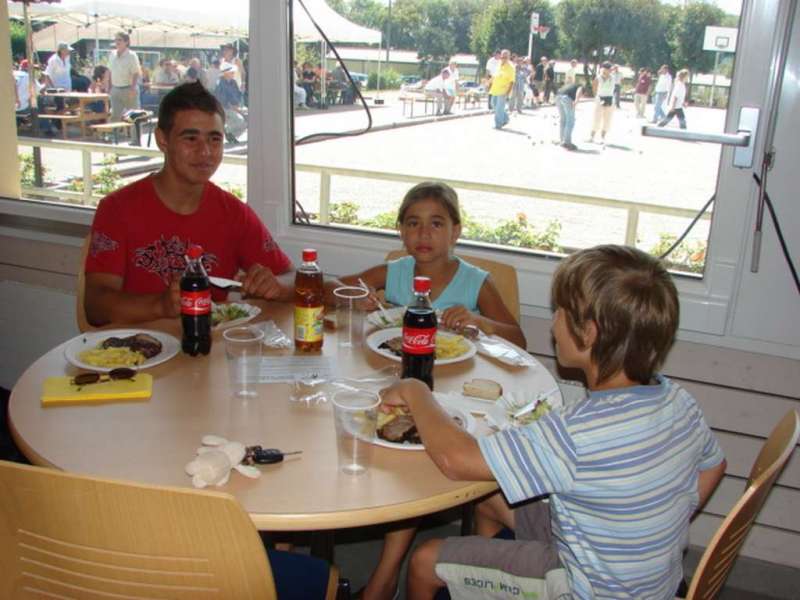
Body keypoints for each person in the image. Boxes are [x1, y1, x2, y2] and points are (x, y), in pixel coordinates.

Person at [382, 244, 726, 600]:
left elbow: (457, 461)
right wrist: (655, 528)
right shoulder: (679, 400)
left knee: (425, 561)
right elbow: (715, 466)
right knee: (491, 499)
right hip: (641, 575)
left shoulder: (576, 432)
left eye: (560, 311)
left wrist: (415, 391)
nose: (553, 321)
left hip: (584, 586)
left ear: (588, 333)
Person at [333, 181, 525, 600]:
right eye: (414, 224)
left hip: (456, 392)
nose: (424, 235)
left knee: (414, 462)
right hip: (395, 385)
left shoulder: (475, 282)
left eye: (436, 224)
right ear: (401, 231)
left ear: (456, 231)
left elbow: (519, 339)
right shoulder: (395, 272)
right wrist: (359, 297)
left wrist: (482, 321)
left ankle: (385, 574)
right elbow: (337, 289)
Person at [84, 82, 294, 326]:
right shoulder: (117, 209)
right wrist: (161, 305)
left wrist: (278, 287)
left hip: (209, 353)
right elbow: (95, 306)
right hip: (139, 354)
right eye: (191, 138)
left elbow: (290, 276)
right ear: (163, 140)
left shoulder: (233, 213)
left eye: (214, 139)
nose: (205, 152)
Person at [108, 31, 142, 121]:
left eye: (120, 40)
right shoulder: (112, 54)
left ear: (126, 42)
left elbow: (136, 72)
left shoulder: (132, 55)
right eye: (116, 40)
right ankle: (114, 135)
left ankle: (135, 135)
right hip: (115, 89)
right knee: (114, 116)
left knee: (134, 117)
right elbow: (110, 71)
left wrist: (133, 88)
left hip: (128, 89)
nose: (117, 42)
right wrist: (109, 87)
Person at [214, 63, 247, 142]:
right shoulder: (220, 83)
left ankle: (230, 134)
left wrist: (241, 91)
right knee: (241, 121)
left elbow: (237, 96)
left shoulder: (233, 82)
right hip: (224, 108)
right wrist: (233, 107)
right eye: (232, 72)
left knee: (244, 122)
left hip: (234, 107)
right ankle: (228, 132)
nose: (233, 74)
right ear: (226, 73)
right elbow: (220, 98)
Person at [588, 62, 615, 144]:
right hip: (600, 98)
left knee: (607, 119)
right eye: (609, 68)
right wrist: (597, 96)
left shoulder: (612, 77)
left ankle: (603, 137)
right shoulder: (598, 78)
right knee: (597, 118)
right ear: (604, 69)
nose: (610, 70)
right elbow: (594, 87)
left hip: (609, 98)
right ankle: (592, 136)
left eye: (610, 68)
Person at [489, 49, 515, 130]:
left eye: (505, 57)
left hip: (503, 90)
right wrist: (488, 83)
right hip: (495, 89)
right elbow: (494, 76)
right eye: (502, 57)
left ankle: (498, 124)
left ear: (509, 57)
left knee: (499, 108)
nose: (503, 58)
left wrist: (508, 93)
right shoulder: (499, 64)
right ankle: (505, 118)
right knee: (493, 104)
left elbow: (512, 82)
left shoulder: (511, 67)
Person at [555, 81, 583, 150]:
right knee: (570, 120)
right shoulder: (581, 86)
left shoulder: (570, 85)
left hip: (558, 97)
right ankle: (567, 142)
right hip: (566, 98)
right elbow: (579, 91)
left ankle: (562, 140)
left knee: (563, 119)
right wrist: (576, 101)